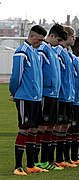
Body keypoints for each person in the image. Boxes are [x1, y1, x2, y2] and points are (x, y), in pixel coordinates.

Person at [9, 25, 48, 175]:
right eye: (39, 40)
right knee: (24, 129)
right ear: (31, 37)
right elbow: (15, 77)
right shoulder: (21, 53)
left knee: (34, 130)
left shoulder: (35, 52)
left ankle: (31, 165)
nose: (41, 43)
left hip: (36, 98)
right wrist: (15, 93)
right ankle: (18, 166)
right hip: (25, 98)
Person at [37, 23, 66, 170]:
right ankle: (38, 161)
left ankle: (47, 160)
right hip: (45, 94)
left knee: (50, 128)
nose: (59, 43)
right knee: (42, 127)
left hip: (54, 94)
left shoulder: (52, 51)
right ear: (52, 36)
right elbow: (38, 72)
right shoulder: (42, 50)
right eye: (59, 40)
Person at [54, 26, 78, 167]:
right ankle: (56, 159)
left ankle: (63, 158)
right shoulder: (57, 52)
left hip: (69, 96)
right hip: (62, 96)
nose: (74, 39)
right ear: (67, 36)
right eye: (73, 36)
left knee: (66, 127)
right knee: (59, 127)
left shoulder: (67, 53)